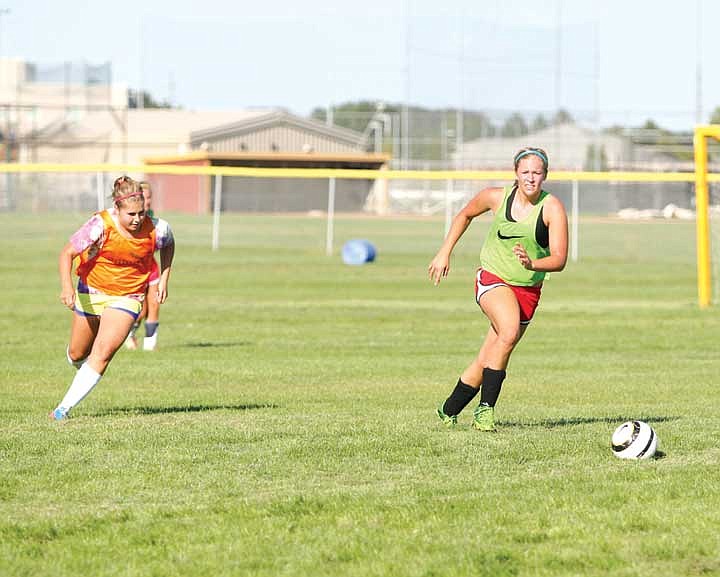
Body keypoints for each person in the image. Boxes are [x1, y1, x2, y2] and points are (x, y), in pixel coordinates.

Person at [428, 147, 568, 431]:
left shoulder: (552, 207)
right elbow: (465, 215)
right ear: (516, 173)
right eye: (525, 172)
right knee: (508, 332)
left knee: (492, 354)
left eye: (537, 173)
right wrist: (444, 252)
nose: (531, 178)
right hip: (493, 278)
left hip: (528, 290)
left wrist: (532, 263)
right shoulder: (495, 197)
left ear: (545, 176)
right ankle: (485, 411)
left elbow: (559, 259)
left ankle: (449, 409)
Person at [50, 176, 175, 421]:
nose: (138, 219)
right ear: (117, 209)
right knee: (77, 354)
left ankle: (61, 410)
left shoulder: (158, 228)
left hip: (127, 297)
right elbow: (67, 253)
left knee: (103, 352)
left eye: (142, 213)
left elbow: (169, 244)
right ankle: (83, 369)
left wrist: (164, 278)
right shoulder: (100, 225)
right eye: (131, 214)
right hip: (91, 292)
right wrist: (67, 287)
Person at [124, 181, 175, 351]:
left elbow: (167, 242)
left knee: (154, 304)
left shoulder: (153, 219)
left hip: (151, 268)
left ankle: (150, 346)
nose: (147, 201)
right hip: (132, 271)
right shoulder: (130, 219)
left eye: (149, 197)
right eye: (143, 197)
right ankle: (129, 334)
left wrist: (164, 281)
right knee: (140, 311)